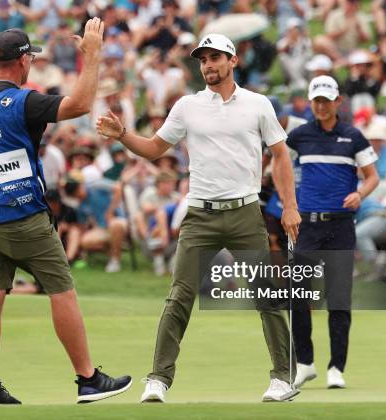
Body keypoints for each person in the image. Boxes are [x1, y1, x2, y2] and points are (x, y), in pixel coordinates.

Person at [97, 33, 302, 403]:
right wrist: (124, 135)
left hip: (245, 213)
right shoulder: (187, 106)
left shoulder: (258, 104)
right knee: (179, 297)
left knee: (265, 297)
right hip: (200, 215)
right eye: (203, 59)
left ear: (233, 61)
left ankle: (282, 378)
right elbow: (155, 150)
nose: (208, 64)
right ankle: (158, 378)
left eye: (215, 57)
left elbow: (281, 155)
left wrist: (289, 205)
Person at [0, 23, 131, 406]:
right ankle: (88, 379)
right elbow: (79, 105)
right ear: (24, 61)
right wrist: (91, 56)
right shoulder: (26, 100)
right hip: (23, 214)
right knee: (62, 289)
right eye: (32, 58)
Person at [286, 75, 380, 390]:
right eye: (317, 101)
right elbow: (279, 164)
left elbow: (372, 177)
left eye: (327, 100)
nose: (322, 106)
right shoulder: (299, 136)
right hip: (307, 226)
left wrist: (360, 195)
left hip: (341, 226)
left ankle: (336, 367)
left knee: (338, 297)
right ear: (311, 102)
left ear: (338, 101)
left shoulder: (353, 136)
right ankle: (304, 363)